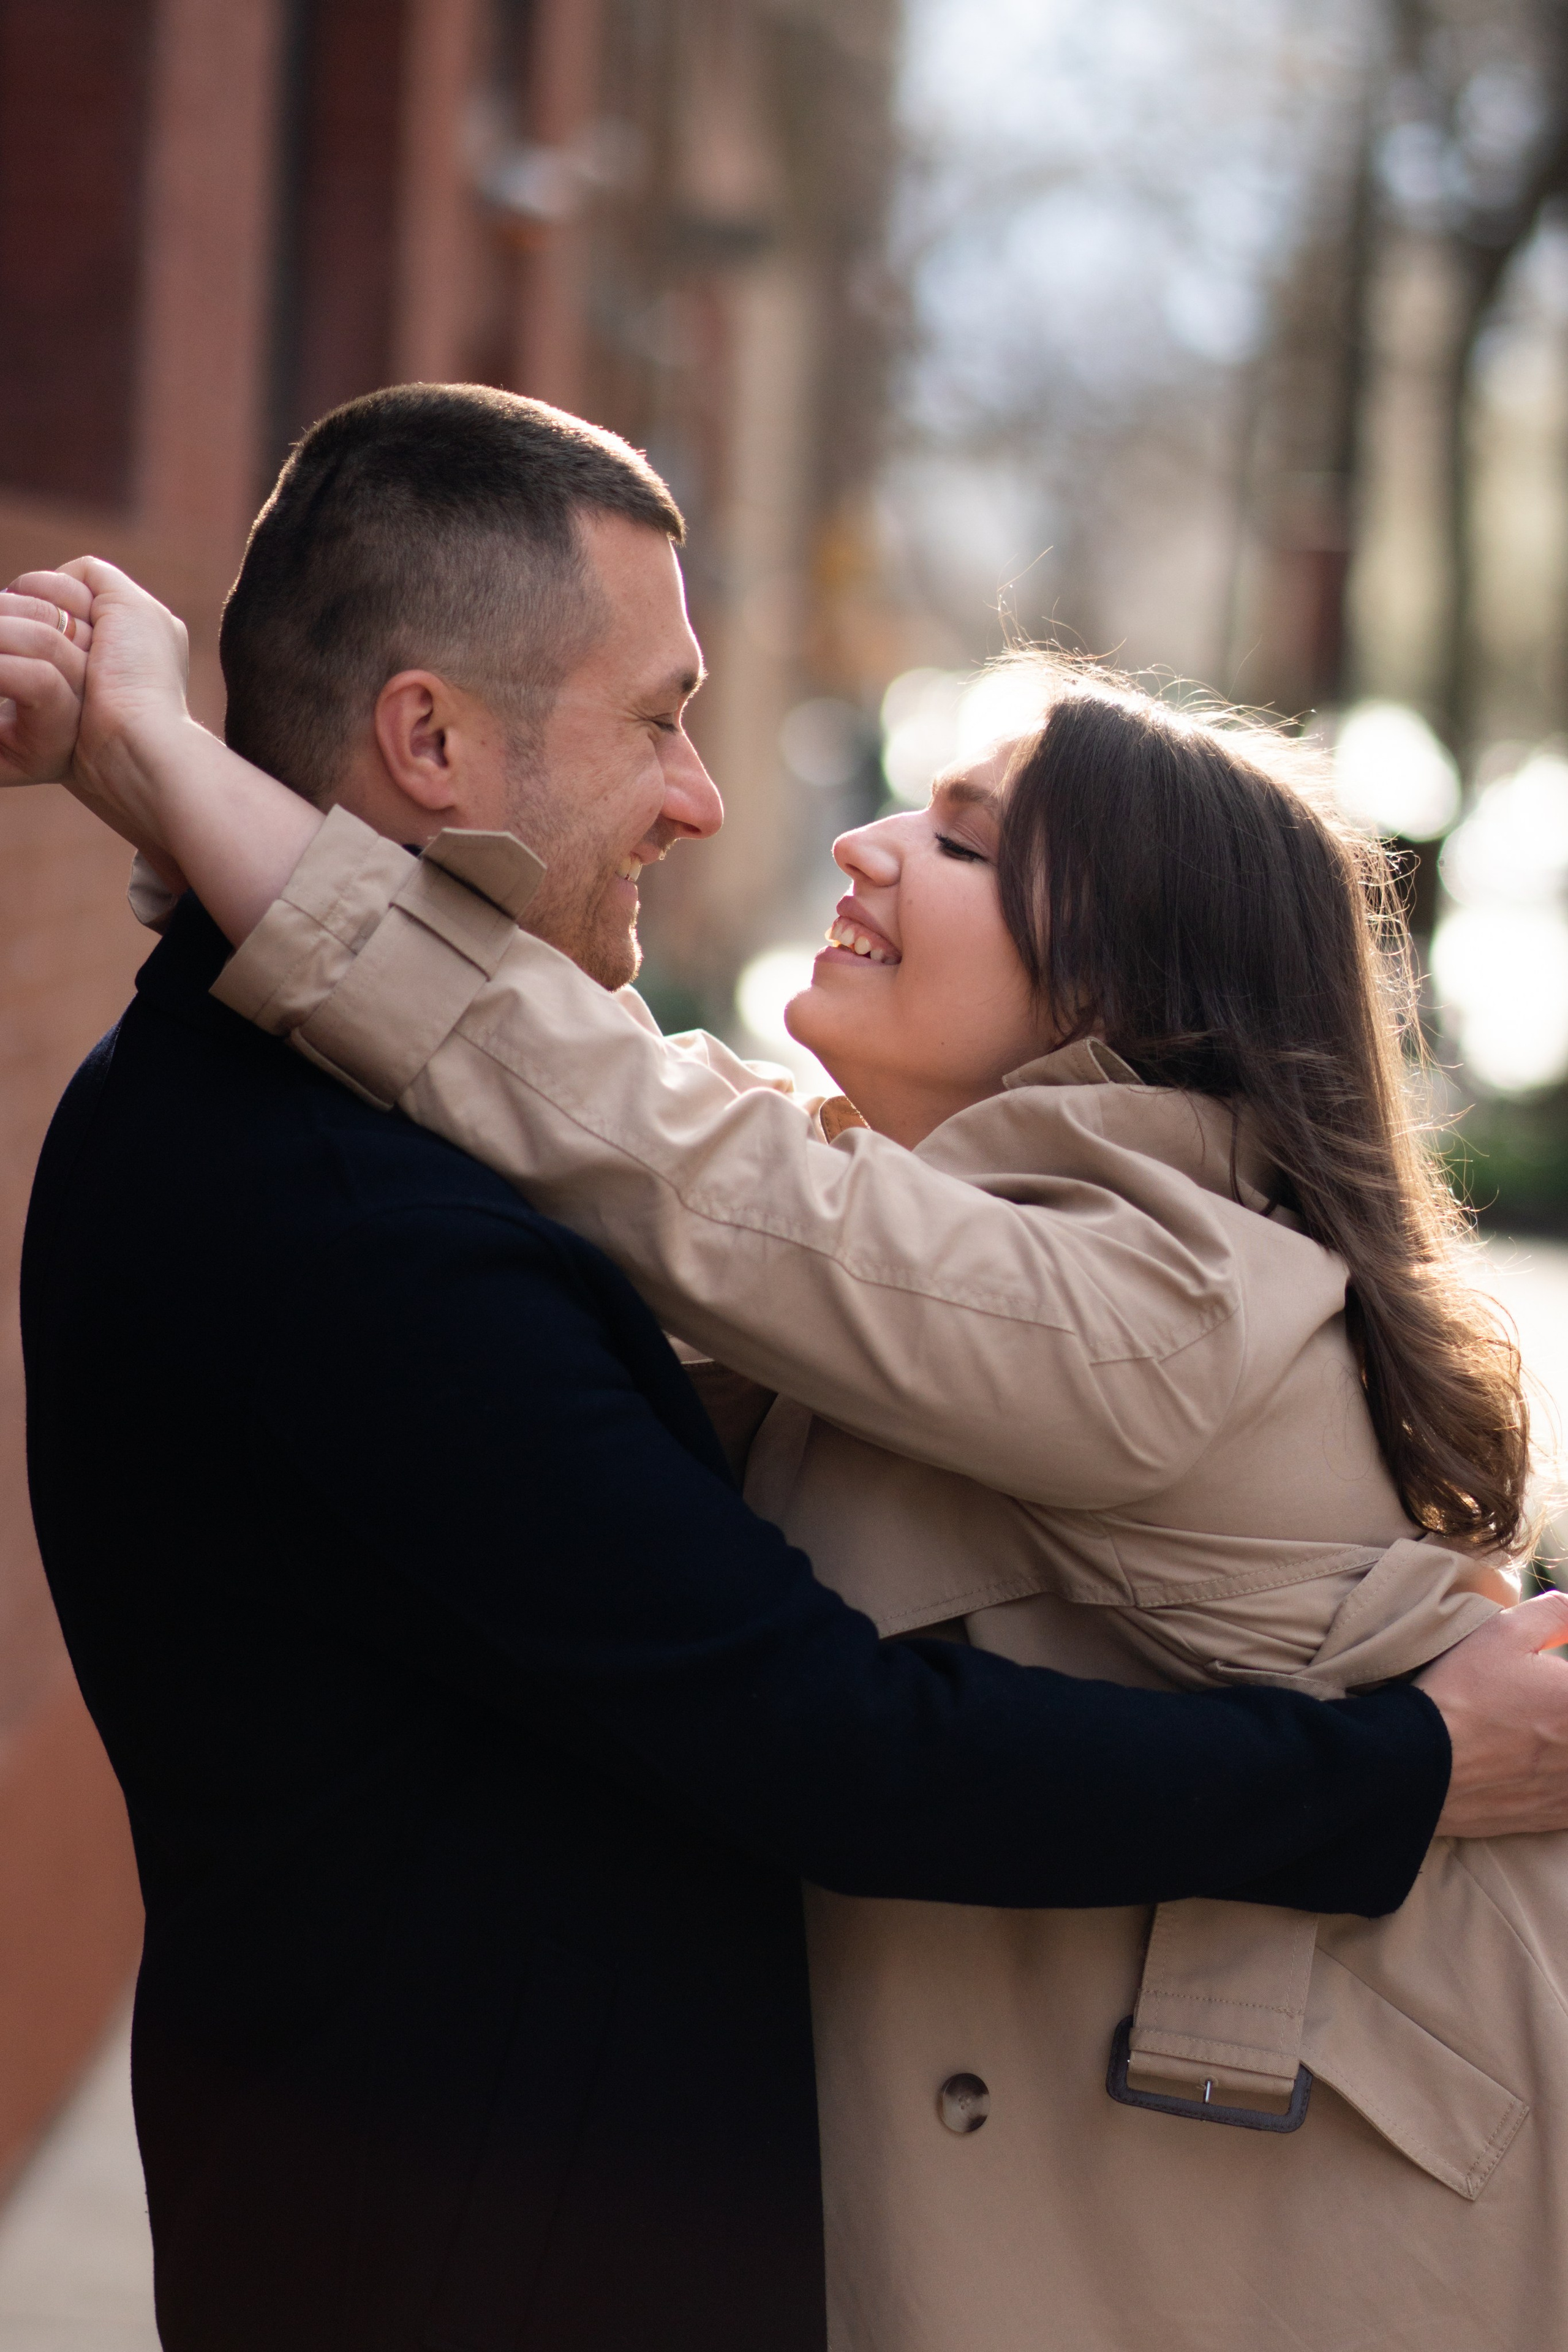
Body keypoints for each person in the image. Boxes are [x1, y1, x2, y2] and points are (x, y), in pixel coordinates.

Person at [6, 388, 1568, 2352]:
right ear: (427, 742)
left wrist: (176, 786)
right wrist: (1403, 1765)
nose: (733, 803)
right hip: (484, 2254)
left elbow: (655, 1141)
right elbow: (820, 1716)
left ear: (1134, 987)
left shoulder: (1147, 1296)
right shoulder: (361, 1215)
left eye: (967, 841)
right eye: (660, 718)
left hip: (1246, 2214)